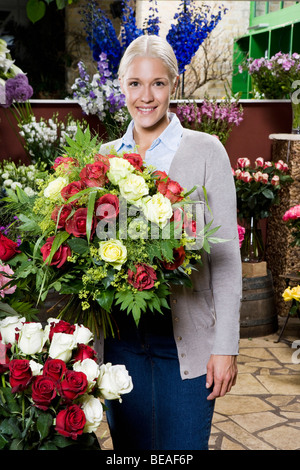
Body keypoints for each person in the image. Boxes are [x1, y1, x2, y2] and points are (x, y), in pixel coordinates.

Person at [97, 34, 242, 450]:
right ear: (121, 86)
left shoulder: (206, 151)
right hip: (121, 341)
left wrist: (226, 347)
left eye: (157, 83)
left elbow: (227, 259)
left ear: (173, 86)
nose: (146, 96)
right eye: (136, 84)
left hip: (187, 342)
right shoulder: (104, 158)